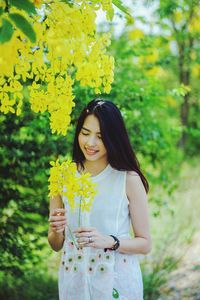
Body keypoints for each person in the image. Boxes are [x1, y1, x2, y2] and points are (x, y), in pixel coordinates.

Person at [48, 98, 151, 300]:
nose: (90, 143)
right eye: (85, 133)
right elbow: (55, 244)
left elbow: (145, 244)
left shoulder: (128, 179)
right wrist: (55, 230)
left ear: (113, 139)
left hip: (117, 281)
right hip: (73, 282)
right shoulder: (62, 176)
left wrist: (109, 241)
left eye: (100, 137)